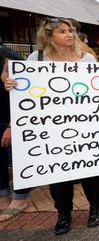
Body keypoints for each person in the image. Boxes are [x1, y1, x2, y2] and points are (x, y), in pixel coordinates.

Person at [3, 17, 99, 235]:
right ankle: (63, 213)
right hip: (51, 128)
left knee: (91, 169)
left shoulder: (87, 60)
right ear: (49, 36)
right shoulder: (36, 60)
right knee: (57, 171)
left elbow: (98, 90)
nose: (69, 35)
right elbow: (25, 90)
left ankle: (95, 207)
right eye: (63, 31)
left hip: (85, 125)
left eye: (71, 31)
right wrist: (13, 85)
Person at [0, 46, 31, 222]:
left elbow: (26, 98)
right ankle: (3, 194)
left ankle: (20, 198)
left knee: (20, 156)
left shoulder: (8, 55)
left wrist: (12, 126)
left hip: (15, 116)